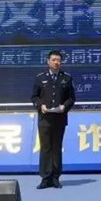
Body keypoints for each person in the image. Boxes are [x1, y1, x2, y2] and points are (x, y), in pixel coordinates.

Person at [31, 50, 76, 189]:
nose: (56, 63)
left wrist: (64, 106)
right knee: (45, 147)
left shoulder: (66, 78)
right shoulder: (40, 78)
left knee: (57, 147)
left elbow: (71, 98)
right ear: (48, 62)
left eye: (58, 60)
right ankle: (45, 177)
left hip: (59, 118)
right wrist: (41, 105)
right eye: (53, 60)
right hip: (44, 118)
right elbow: (34, 97)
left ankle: (56, 177)